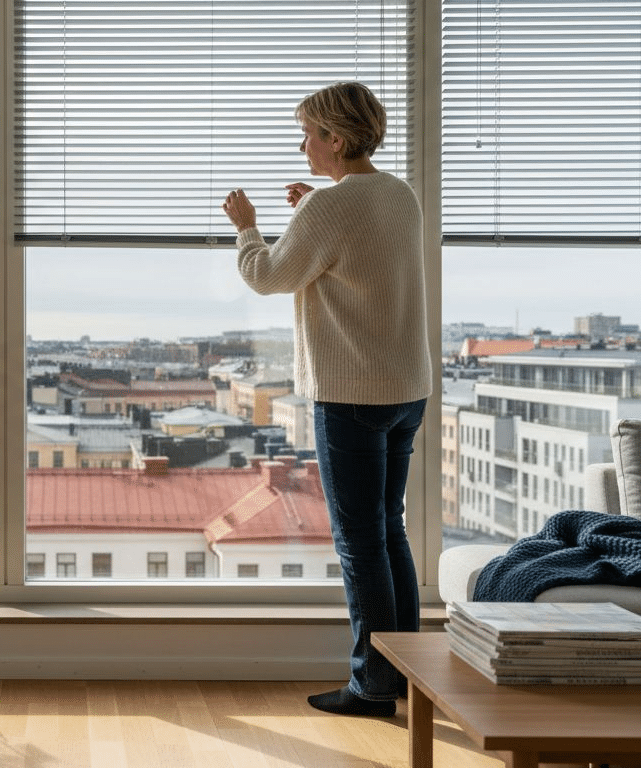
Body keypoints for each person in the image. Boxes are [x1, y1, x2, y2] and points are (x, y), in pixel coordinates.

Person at [221, 81, 432, 717]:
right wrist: (315, 208)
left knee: (359, 543)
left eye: (309, 133)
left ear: (335, 140)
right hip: (406, 388)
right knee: (389, 531)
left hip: (351, 396)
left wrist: (249, 228)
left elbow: (268, 276)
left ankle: (371, 687)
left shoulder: (326, 211)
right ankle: (407, 675)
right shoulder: (399, 194)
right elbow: (360, 248)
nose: (302, 144)